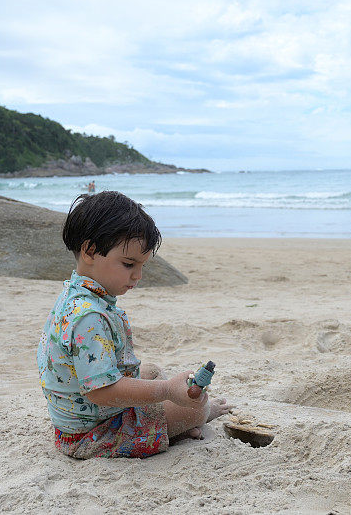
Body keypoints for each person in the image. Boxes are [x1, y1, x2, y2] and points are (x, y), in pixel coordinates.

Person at [37, 191, 232, 458]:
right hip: (92, 434)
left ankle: (170, 426)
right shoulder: (89, 317)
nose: (138, 276)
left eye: (142, 266)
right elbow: (102, 392)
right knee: (196, 407)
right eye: (129, 264)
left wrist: (166, 392)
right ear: (90, 251)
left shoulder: (78, 295)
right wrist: (167, 392)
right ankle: (188, 422)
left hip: (86, 416)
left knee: (150, 371)